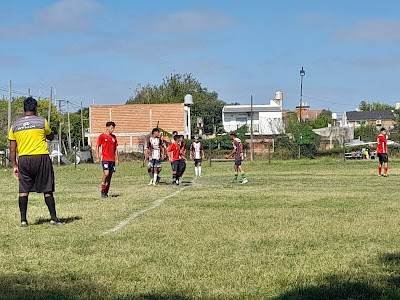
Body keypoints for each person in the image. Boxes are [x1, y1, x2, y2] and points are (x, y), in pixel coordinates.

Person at [8, 96, 62, 227]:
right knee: (47, 189)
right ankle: (53, 218)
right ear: (35, 108)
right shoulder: (42, 121)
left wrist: (14, 165)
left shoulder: (15, 125)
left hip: (24, 159)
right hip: (41, 158)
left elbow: (12, 148)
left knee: (23, 190)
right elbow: (50, 136)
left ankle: (23, 220)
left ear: (24, 109)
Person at [96, 121, 118, 197]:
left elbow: (115, 149)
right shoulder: (102, 136)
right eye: (111, 128)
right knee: (106, 173)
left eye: (113, 128)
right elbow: (97, 146)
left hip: (112, 160)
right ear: (107, 127)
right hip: (105, 158)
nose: (113, 129)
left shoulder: (114, 137)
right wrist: (97, 156)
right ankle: (102, 189)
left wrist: (117, 159)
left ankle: (106, 192)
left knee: (110, 176)